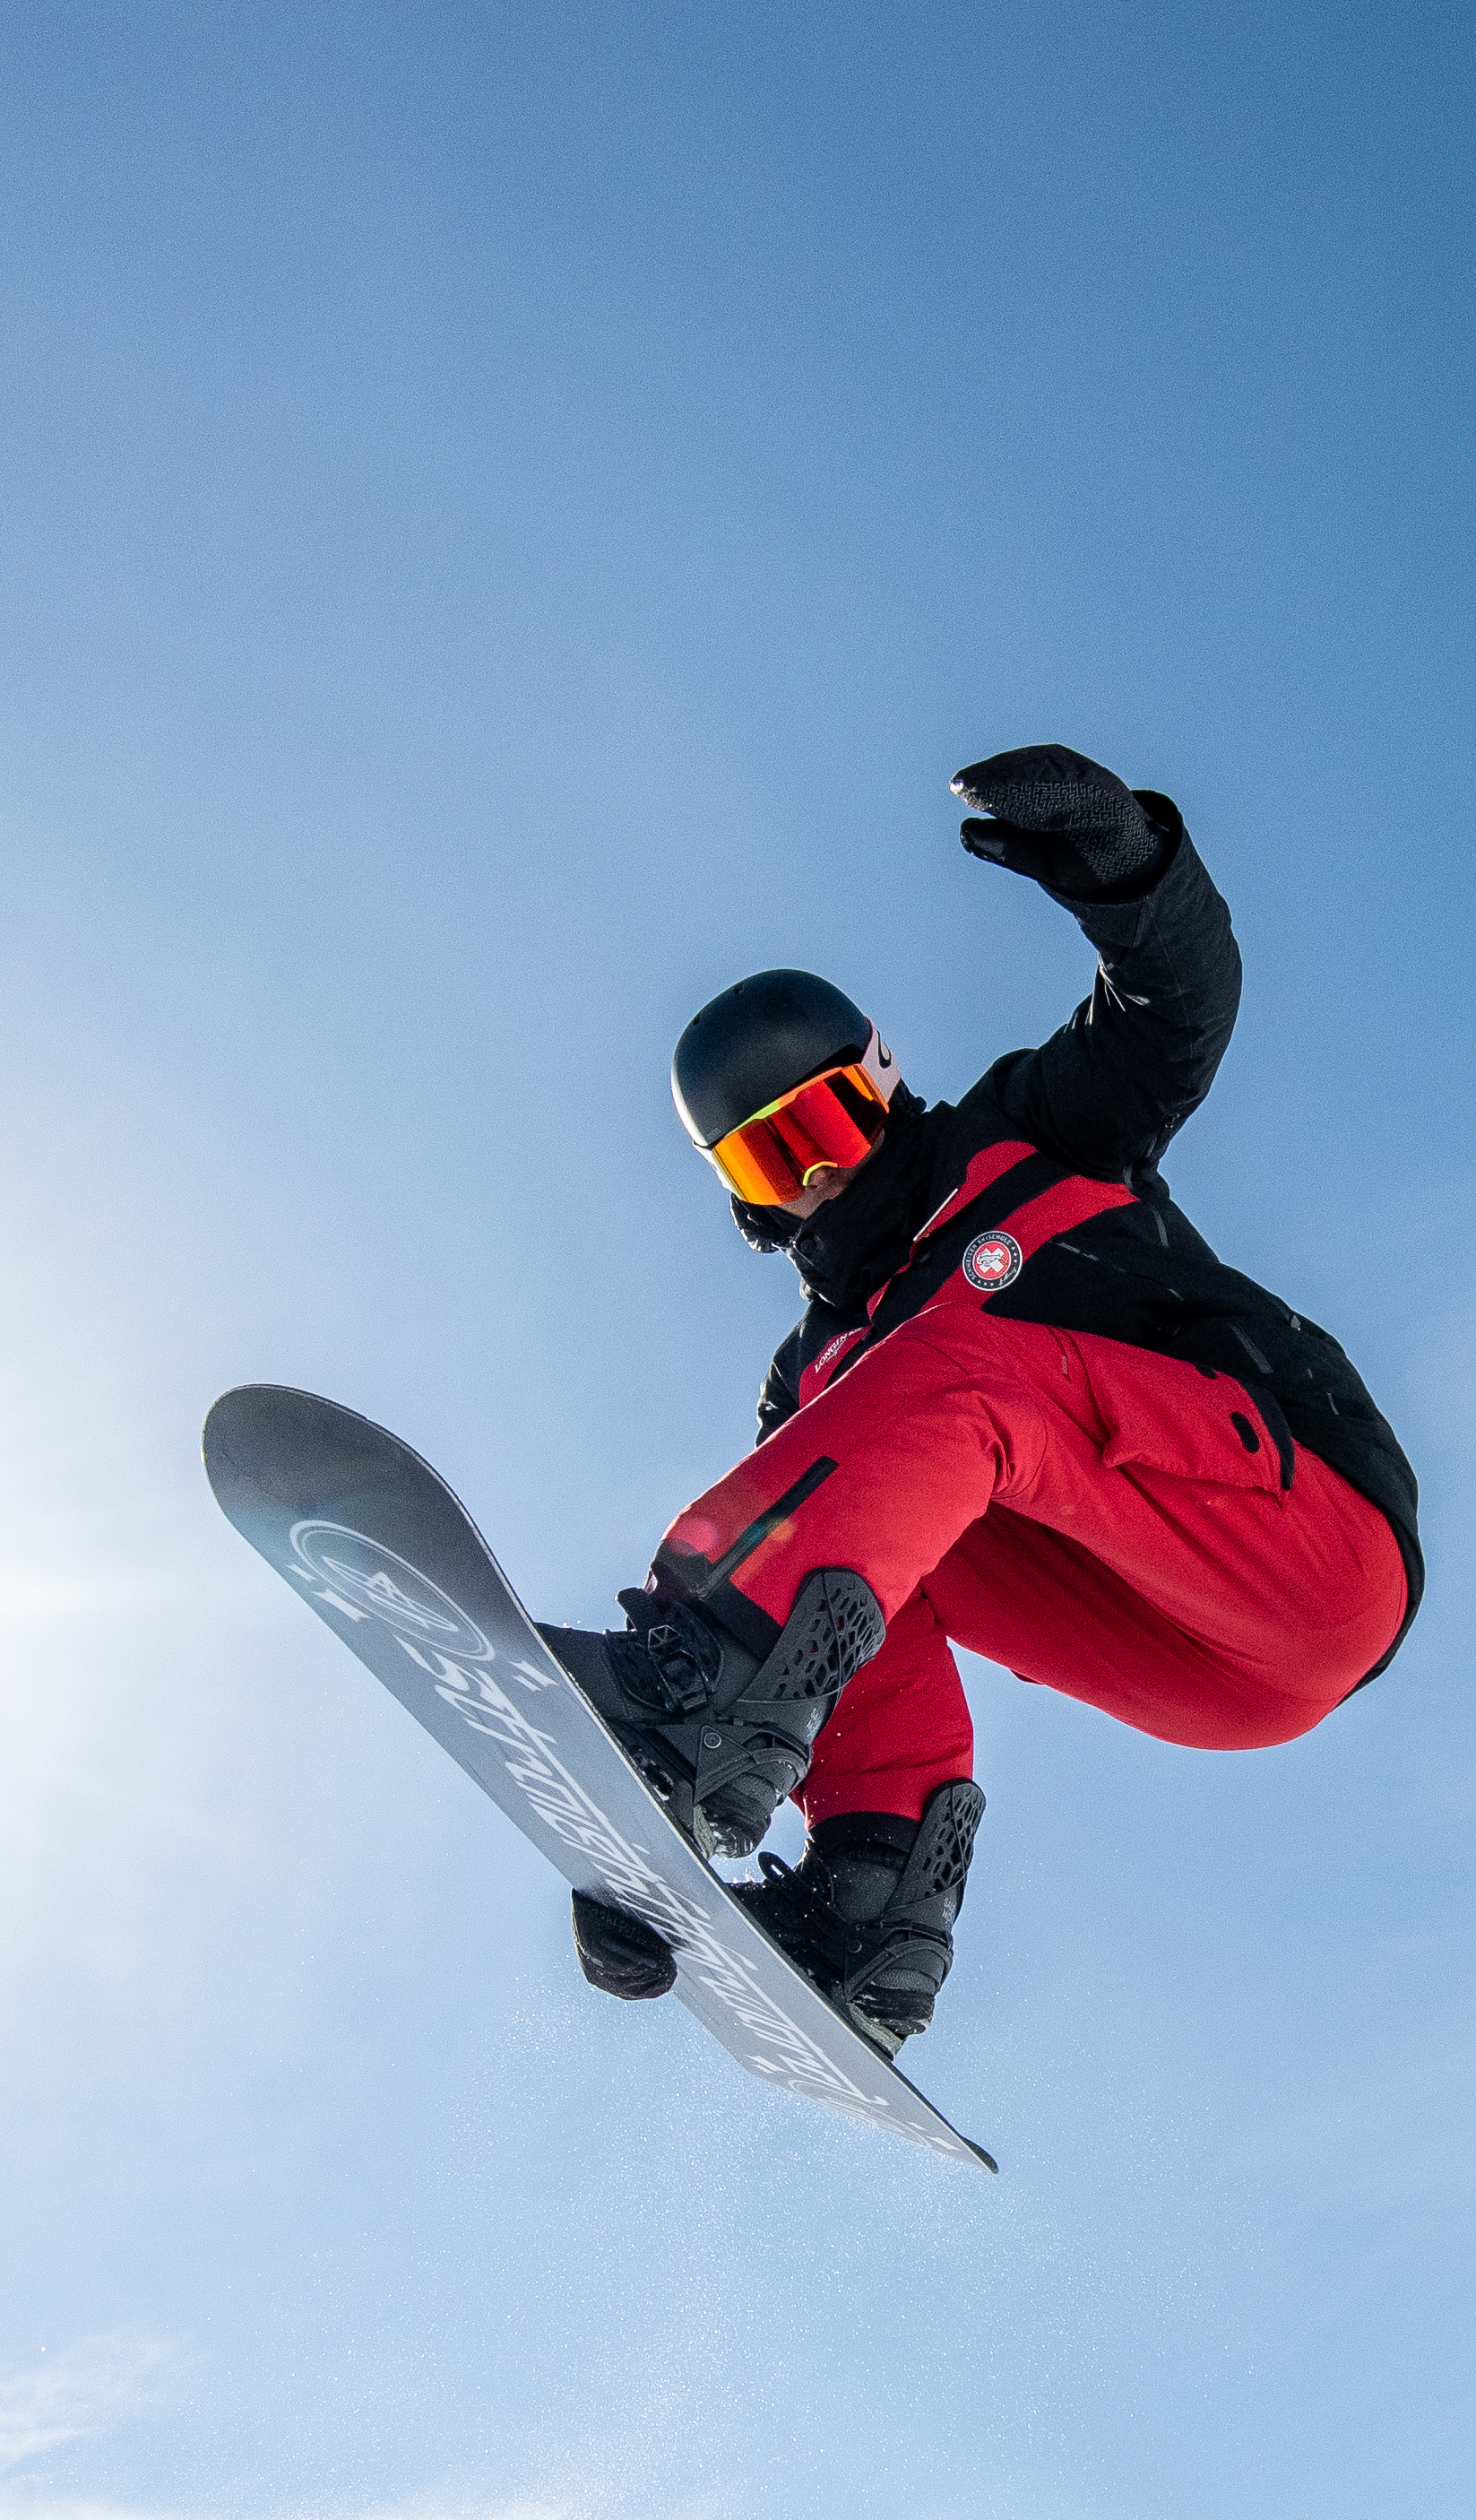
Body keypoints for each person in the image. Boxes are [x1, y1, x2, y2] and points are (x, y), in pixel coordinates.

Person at [546, 741, 1424, 2050]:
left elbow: (1169, 1007)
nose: (816, 1175)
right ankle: (872, 1901)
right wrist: (646, 1872)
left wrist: (1128, 868)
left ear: (883, 1084)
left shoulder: (1028, 1133)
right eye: (773, 1158)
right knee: (829, 1512)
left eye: (829, 1124)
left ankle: (683, 1696)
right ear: (744, 1194)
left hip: (1307, 1535)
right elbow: (828, 1622)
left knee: (932, 1377)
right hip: (1201, 1674)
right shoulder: (816, 1384)